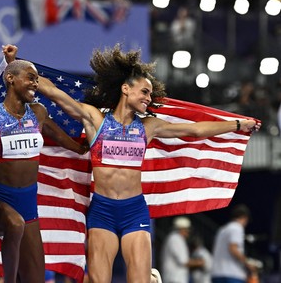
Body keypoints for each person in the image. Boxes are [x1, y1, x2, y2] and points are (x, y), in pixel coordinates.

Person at [35, 43, 260, 283]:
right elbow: (55, 94)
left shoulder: (148, 126)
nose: (148, 98)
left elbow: (194, 130)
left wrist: (237, 124)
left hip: (134, 212)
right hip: (102, 211)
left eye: (150, 94)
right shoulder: (95, 120)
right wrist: (21, 70)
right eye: (144, 92)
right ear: (125, 89)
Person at [0, 49, 88, 283]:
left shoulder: (38, 113)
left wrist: (85, 148)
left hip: (28, 207)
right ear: (10, 79)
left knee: (36, 279)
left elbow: (64, 140)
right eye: (30, 77)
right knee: (14, 222)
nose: (35, 82)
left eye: (36, 78)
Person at [211, 204, 256, 283]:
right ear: (244, 217)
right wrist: (248, 263)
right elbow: (233, 248)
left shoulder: (222, 229)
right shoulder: (237, 227)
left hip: (216, 273)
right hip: (232, 274)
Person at [161, 216, 204, 283]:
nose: (188, 232)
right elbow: (183, 261)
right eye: (187, 230)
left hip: (176, 278)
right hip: (174, 279)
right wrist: (198, 262)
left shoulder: (177, 238)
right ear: (181, 229)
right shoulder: (175, 238)